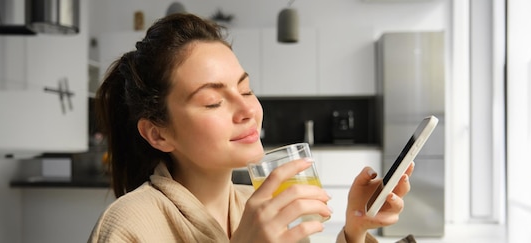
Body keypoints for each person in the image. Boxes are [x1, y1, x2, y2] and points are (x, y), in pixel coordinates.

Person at [88, 13, 415, 243]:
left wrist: (354, 229)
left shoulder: (256, 204)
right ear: (158, 133)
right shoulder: (128, 227)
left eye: (246, 90)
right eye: (214, 101)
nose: (249, 110)